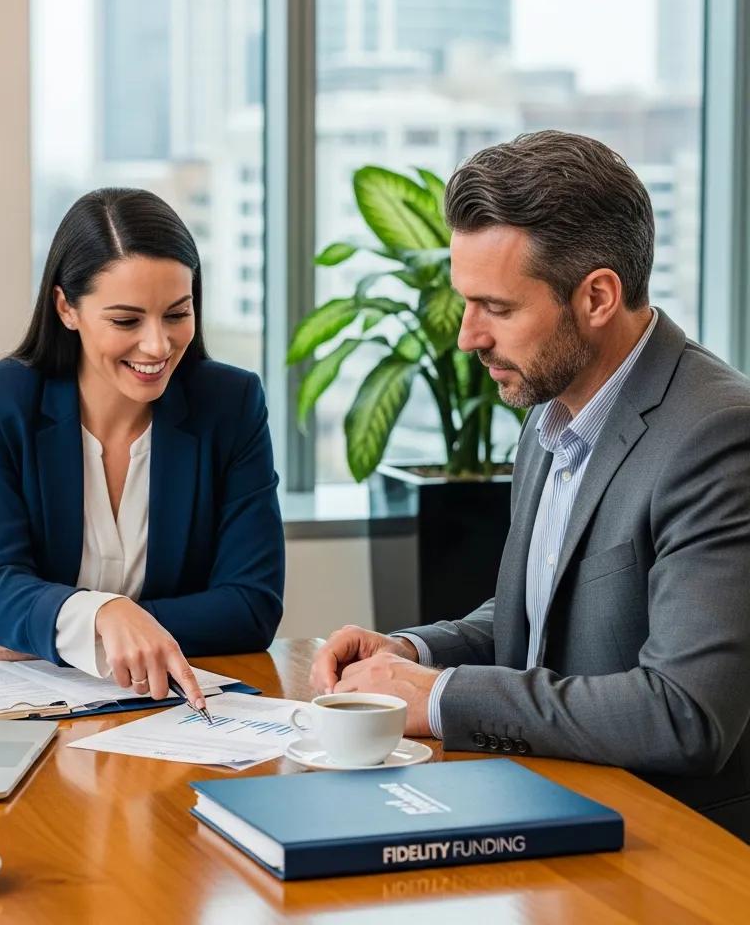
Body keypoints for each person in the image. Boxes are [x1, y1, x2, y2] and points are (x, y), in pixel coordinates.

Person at [310, 130, 750, 841]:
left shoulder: (716, 435)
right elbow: (540, 622)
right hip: (547, 804)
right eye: (466, 303)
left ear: (598, 296)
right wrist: (412, 655)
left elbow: (684, 714)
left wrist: (442, 698)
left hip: (668, 845)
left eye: (498, 308)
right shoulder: (551, 410)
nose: (467, 337)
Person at [0, 187, 285, 710]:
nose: (158, 345)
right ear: (67, 307)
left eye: (177, 314)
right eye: (126, 321)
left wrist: (69, 632)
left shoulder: (231, 404)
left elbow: (251, 608)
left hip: (152, 706)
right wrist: (102, 617)